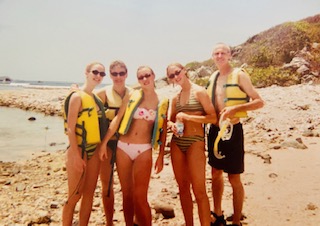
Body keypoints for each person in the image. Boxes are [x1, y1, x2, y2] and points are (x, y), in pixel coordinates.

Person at [99, 66, 169, 226]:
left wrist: (160, 156)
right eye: (141, 77)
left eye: (147, 75)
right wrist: (104, 143)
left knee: (140, 196)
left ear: (153, 76)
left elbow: (163, 131)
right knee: (127, 194)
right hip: (123, 147)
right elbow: (117, 120)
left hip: (143, 150)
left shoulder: (161, 101)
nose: (145, 79)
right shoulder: (132, 95)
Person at [206, 43, 264, 226]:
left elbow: (259, 102)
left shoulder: (239, 75)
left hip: (233, 131)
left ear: (230, 55)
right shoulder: (213, 77)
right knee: (215, 173)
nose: (220, 55)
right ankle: (217, 213)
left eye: (223, 52)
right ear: (212, 56)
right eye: (216, 53)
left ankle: (237, 220)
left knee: (234, 177)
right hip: (215, 130)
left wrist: (236, 108)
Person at [166, 63, 217, 226]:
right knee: (183, 189)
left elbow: (213, 118)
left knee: (199, 190)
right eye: (171, 76)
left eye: (177, 72)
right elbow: (170, 119)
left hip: (195, 141)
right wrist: (171, 125)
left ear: (185, 71)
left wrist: (188, 117)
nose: (175, 77)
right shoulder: (175, 98)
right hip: (177, 143)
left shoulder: (199, 92)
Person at [62, 62, 108, 226]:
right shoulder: (76, 96)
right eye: (95, 72)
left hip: (94, 150)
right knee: (74, 195)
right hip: (79, 150)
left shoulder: (95, 98)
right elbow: (70, 129)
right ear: (86, 73)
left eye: (102, 74)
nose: (98, 76)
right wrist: (75, 156)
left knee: (89, 194)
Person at [95, 60, 131, 225]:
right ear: (110, 75)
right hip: (107, 144)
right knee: (107, 186)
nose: (118, 77)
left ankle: (130, 221)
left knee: (128, 186)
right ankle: (109, 222)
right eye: (115, 74)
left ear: (126, 74)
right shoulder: (102, 94)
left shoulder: (133, 94)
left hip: (126, 144)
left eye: (121, 73)